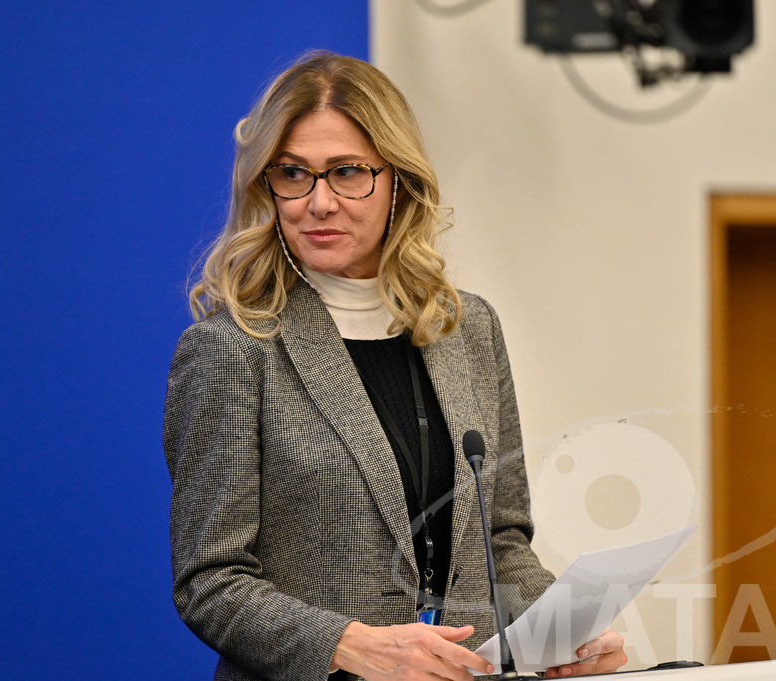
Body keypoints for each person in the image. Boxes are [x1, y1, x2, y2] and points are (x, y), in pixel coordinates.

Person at [163, 51, 625, 681]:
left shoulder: (468, 328)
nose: (319, 202)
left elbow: (501, 544)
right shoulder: (232, 349)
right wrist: (349, 645)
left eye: (348, 172)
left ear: (398, 180)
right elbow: (211, 580)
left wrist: (565, 633)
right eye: (292, 174)